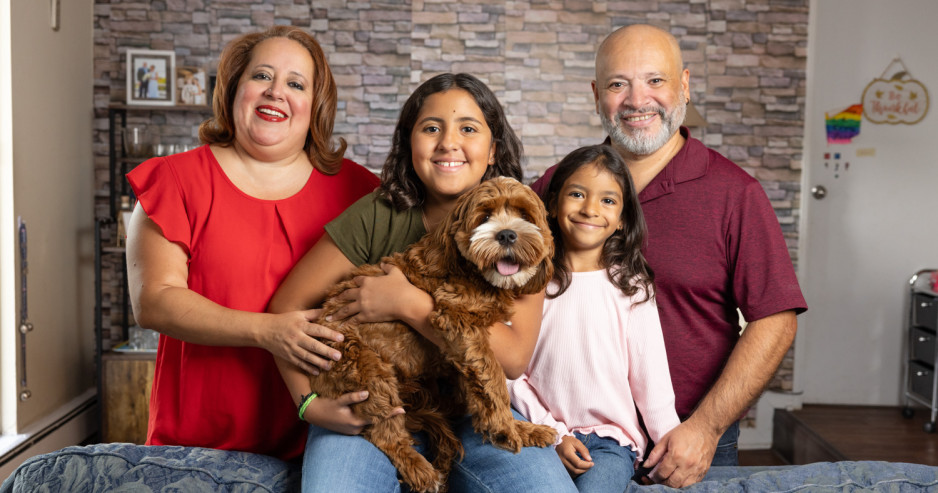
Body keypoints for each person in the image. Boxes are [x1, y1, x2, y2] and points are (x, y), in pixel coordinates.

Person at [269, 72, 576, 493]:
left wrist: (407, 304)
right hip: (370, 403)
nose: (448, 142)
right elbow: (284, 309)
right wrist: (308, 403)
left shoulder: (520, 225)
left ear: (493, 150)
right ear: (409, 145)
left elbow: (513, 358)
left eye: (468, 128)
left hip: (473, 408)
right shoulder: (379, 214)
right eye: (431, 128)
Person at [531, 24, 808, 488]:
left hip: (685, 440)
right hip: (570, 443)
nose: (638, 100)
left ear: (683, 85)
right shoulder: (558, 187)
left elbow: (776, 319)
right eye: (619, 84)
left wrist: (705, 428)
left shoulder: (734, 193)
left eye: (655, 81)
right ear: (597, 94)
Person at [124, 26, 380, 462]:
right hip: (198, 448)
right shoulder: (175, 180)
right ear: (234, 90)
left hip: (323, 444)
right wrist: (268, 331)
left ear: (314, 105)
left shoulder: (360, 191)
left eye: (296, 84)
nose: (276, 92)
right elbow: (155, 301)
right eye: (261, 76)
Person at [509, 144, 681, 493]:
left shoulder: (632, 287)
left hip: (610, 443)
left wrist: (669, 450)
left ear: (621, 219)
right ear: (554, 204)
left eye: (607, 200)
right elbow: (510, 374)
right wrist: (554, 434)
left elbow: (652, 382)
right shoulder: (528, 281)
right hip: (540, 434)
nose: (590, 209)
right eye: (577, 194)